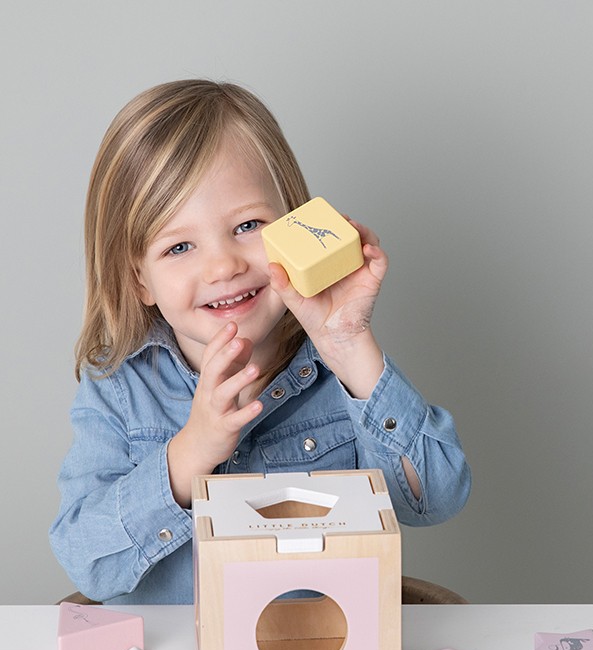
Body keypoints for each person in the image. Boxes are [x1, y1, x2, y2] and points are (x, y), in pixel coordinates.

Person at [49, 79, 471, 604]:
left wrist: (349, 344)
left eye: (247, 225)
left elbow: (433, 497)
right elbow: (85, 563)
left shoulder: (337, 369)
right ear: (139, 280)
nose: (223, 265)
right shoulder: (119, 392)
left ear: (294, 226)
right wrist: (191, 453)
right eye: (179, 246)